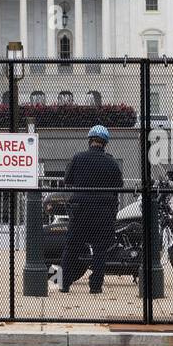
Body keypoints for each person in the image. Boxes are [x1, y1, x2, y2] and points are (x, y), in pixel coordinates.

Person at [56, 125, 122, 294]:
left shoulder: (78, 158)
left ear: (89, 140)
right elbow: (118, 186)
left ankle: (60, 283)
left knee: (70, 247)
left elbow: (67, 180)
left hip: (80, 210)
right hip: (103, 212)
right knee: (100, 250)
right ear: (105, 143)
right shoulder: (112, 162)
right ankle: (96, 286)